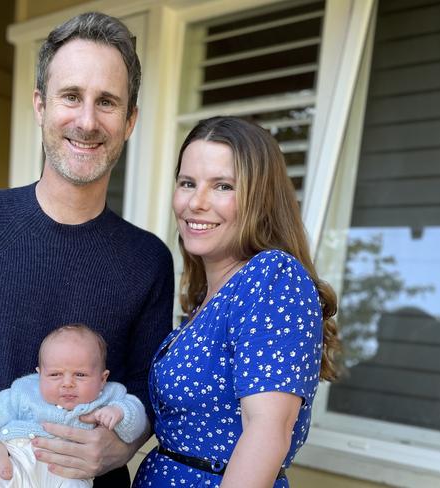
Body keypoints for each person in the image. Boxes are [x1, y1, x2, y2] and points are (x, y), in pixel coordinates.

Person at [0, 11, 174, 488]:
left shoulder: (149, 259)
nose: (87, 121)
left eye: (106, 102)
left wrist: (121, 445)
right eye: (71, 96)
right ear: (41, 106)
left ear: (130, 121)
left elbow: (148, 389)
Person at [132, 116, 339, 488]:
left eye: (223, 186)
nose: (196, 202)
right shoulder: (211, 296)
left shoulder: (272, 277)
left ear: (260, 199)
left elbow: (267, 431)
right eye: (187, 183)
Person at [0, 324, 147, 488]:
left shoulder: (110, 397)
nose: (67, 383)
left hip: (69, 471)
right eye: (55, 375)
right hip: (18, 459)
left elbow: (136, 422)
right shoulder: (25, 391)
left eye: (80, 375)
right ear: (39, 374)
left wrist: (120, 413)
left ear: (102, 378)